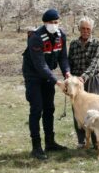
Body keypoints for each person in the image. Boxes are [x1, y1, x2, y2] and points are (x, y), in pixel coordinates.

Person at [22, 9, 71, 160]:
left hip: (47, 76)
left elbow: (63, 58)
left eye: (56, 22)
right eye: (51, 23)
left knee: (49, 108)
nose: (54, 25)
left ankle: (50, 142)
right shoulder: (36, 37)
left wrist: (67, 73)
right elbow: (40, 65)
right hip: (33, 76)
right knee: (37, 108)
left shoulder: (60, 35)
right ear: (44, 23)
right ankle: (36, 147)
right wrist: (57, 81)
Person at [68, 16, 99, 149]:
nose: (85, 31)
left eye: (88, 28)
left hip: (92, 80)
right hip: (76, 83)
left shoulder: (97, 43)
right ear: (79, 29)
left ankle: (96, 141)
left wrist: (84, 77)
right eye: (83, 28)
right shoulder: (73, 44)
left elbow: (94, 63)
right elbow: (69, 62)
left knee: (95, 110)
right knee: (77, 110)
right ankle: (81, 140)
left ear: (92, 29)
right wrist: (70, 79)